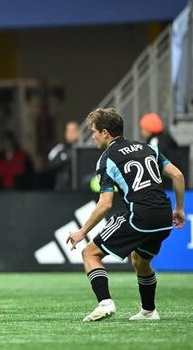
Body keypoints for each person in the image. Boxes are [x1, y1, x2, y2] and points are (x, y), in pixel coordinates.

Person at [67, 108, 185, 322]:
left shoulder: (107, 158)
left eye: (93, 131)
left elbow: (105, 204)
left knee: (90, 254)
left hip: (139, 217)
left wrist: (82, 231)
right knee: (140, 260)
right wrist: (179, 209)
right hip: (163, 217)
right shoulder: (146, 147)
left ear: (105, 133)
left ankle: (105, 303)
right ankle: (149, 311)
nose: (92, 135)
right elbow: (177, 175)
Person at [47, 121, 80, 191]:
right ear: (65, 133)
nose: (71, 133)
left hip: (81, 189)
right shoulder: (59, 148)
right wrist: (66, 157)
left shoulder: (84, 149)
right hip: (63, 189)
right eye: (68, 130)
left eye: (74, 130)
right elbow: (51, 164)